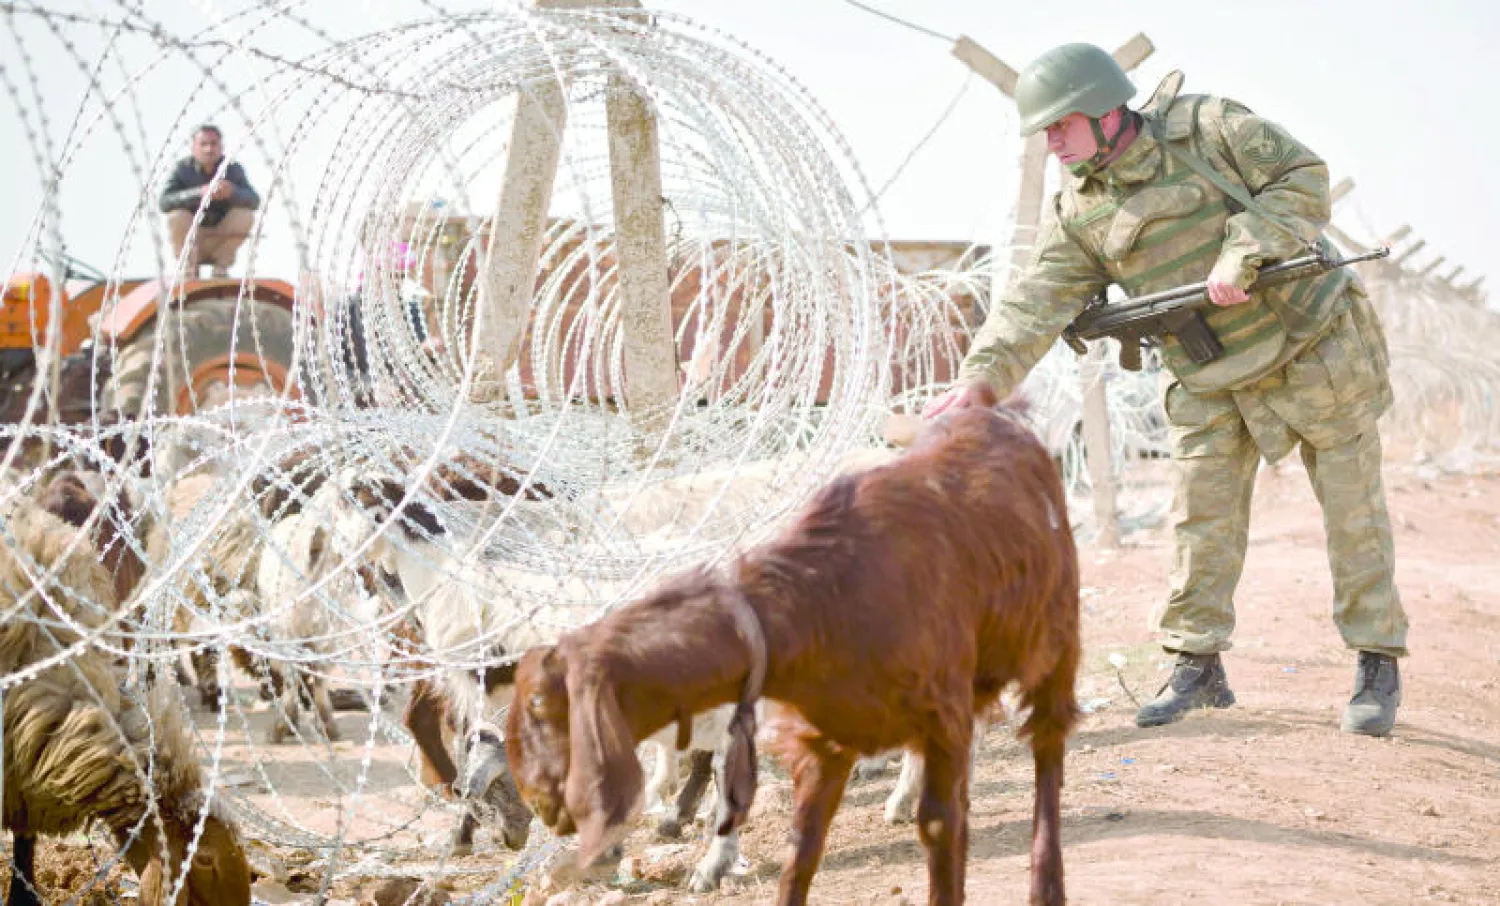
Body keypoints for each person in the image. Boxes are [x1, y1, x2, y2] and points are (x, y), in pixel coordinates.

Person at [925, 43, 1407, 736]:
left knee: (1352, 511)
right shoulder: (1081, 210)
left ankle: (1376, 661)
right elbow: (1036, 300)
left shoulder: (1208, 130)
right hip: (1208, 374)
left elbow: (1304, 179)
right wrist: (982, 380)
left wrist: (1244, 250)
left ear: (1102, 110)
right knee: (1198, 519)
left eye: (1060, 124)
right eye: (1044, 130)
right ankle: (1196, 665)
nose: (1051, 141)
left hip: (1310, 347)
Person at [158, 124, 260, 277]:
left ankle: (221, 268)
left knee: (244, 215)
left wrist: (232, 192)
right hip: (193, 238)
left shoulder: (232, 169)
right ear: (193, 147)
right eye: (203, 144)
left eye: (213, 144)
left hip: (220, 237)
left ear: (221, 146)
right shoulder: (182, 169)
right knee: (177, 216)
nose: (209, 149)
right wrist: (200, 193)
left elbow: (254, 200)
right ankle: (188, 268)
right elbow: (164, 202)